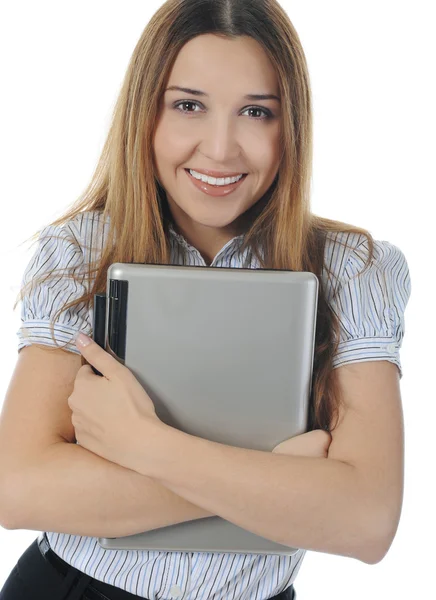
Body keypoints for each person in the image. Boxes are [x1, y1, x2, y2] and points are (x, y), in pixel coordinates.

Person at [0, 0, 411, 598]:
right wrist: (280, 484)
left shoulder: (353, 269)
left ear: (289, 125)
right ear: (148, 113)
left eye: (255, 112)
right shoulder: (80, 251)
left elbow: (367, 523)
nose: (220, 149)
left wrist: (145, 447)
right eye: (188, 105)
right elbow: (18, 490)